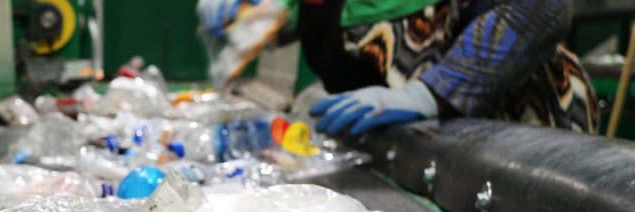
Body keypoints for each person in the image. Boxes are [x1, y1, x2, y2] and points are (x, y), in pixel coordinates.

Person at [199, 0, 598, 135]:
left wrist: (432, 91)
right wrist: (254, 16)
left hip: (520, 141)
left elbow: (544, 8)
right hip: (423, 154)